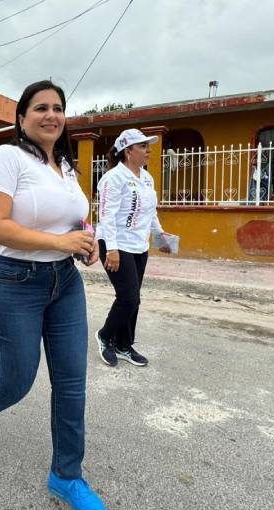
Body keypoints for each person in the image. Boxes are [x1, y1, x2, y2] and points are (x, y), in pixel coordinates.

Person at [0, 81, 106, 510]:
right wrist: (59, 239)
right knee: (18, 380)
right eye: (40, 107)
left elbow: (73, 217)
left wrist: (87, 238)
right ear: (22, 117)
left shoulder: (65, 165)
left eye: (58, 108)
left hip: (65, 282)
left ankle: (66, 475)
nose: (51, 115)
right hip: (13, 282)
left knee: (71, 383)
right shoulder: (7, 158)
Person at [94, 128, 172, 368]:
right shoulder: (112, 178)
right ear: (128, 151)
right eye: (143, 146)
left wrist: (160, 237)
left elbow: (151, 212)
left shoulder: (146, 178)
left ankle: (124, 345)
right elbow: (106, 215)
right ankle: (105, 336)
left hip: (139, 245)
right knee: (128, 297)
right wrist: (112, 250)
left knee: (134, 300)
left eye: (148, 146)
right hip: (115, 242)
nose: (149, 151)